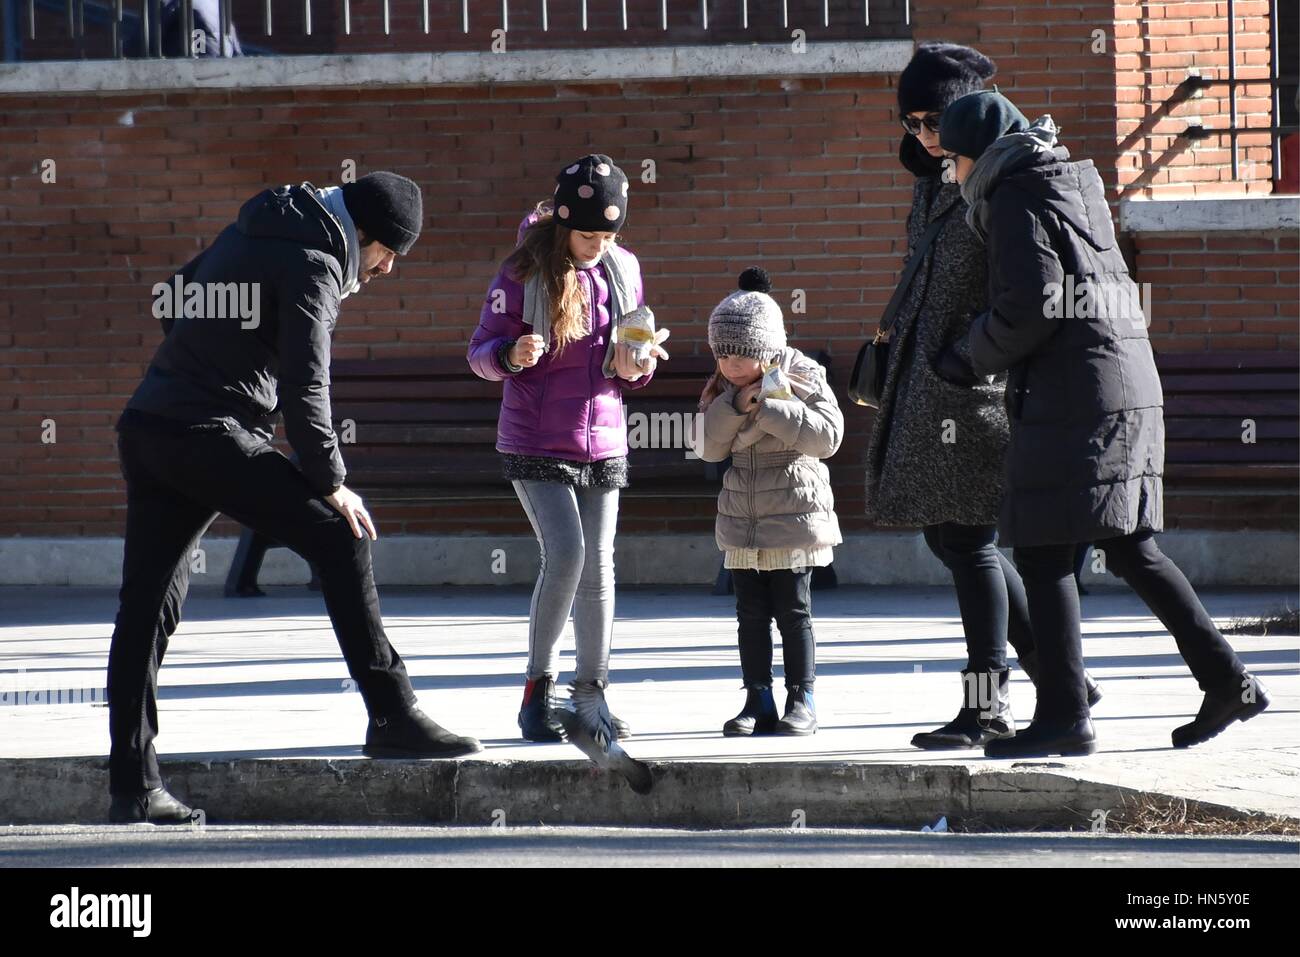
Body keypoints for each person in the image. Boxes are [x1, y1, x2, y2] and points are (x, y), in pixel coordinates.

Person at [108, 172, 481, 824]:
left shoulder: (262, 221)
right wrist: (331, 480)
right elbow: (307, 383)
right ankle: (392, 713)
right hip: (208, 432)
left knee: (146, 610)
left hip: (151, 425)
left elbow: (172, 298)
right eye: (389, 253)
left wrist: (220, 354)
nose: (388, 268)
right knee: (339, 533)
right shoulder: (315, 261)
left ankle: (133, 787)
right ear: (363, 234)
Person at [938, 90, 1271, 757]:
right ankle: (1227, 679)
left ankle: (1064, 715)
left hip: (1077, 394)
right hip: (1116, 382)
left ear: (978, 154)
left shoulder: (1014, 196)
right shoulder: (1066, 181)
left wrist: (966, 355)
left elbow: (1029, 309)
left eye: (952, 159)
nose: (950, 174)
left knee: (1041, 548)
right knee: (1128, 543)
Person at [866, 43, 1102, 751]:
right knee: (952, 536)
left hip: (975, 388)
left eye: (933, 118)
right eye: (909, 122)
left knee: (967, 539)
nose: (923, 135)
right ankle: (1062, 679)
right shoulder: (935, 177)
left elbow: (1024, 293)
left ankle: (987, 703)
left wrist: (965, 357)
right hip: (939, 381)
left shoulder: (1005, 177)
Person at [467, 154, 666, 747]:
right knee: (569, 555)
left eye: (608, 235)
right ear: (562, 224)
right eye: (587, 234)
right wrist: (508, 358)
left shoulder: (624, 270)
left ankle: (590, 696)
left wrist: (639, 366)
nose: (598, 245)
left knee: (600, 565)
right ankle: (537, 692)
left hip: (603, 438)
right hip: (535, 438)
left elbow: (631, 365)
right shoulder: (523, 273)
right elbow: (479, 351)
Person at [698, 268, 844, 736]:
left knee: (793, 609)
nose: (731, 364)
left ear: (766, 350)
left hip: (794, 512)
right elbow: (707, 447)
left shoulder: (802, 374)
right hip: (743, 515)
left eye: (741, 354)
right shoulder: (721, 388)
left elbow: (828, 438)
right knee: (750, 613)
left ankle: (803, 698)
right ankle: (756, 697)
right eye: (722, 354)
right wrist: (735, 406)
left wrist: (772, 408)